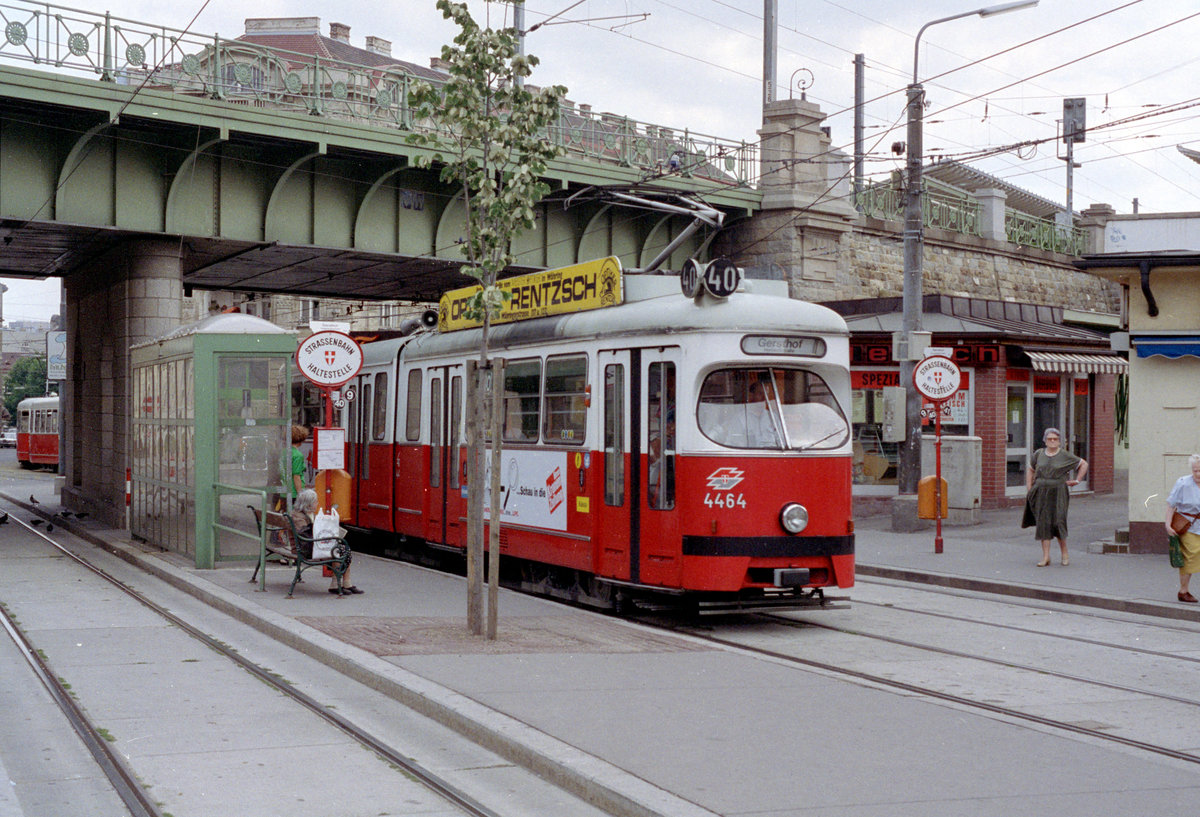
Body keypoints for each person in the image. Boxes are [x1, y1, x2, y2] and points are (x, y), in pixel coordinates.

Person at [1022, 427, 1088, 567]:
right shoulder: (1039, 454)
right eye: (1049, 439)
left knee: (1058, 521)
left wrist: (1077, 480)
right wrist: (1029, 488)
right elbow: (1031, 469)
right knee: (1043, 523)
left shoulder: (1065, 455)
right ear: (1045, 441)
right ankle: (1046, 557)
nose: (1052, 441)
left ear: (1059, 441)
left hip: (1058, 492)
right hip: (1041, 491)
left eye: (1055, 439)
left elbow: (1083, 464)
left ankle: (1064, 554)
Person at [289, 488, 363, 595]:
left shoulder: (305, 514)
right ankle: (337, 584)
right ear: (308, 503)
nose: (317, 503)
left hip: (307, 546)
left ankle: (345, 583)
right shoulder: (298, 517)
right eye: (315, 501)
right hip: (304, 549)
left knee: (341, 548)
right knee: (340, 550)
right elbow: (306, 536)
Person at [1164, 453, 1200, 603]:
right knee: (1191, 555)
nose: (1198, 473)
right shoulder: (1183, 483)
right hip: (1187, 526)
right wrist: (1167, 524)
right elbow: (1171, 504)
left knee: (1192, 557)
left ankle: (1183, 591)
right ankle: (1183, 591)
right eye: (1195, 470)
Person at [281, 424, 310, 503]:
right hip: (293, 492)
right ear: (301, 439)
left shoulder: (283, 452)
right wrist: (300, 493)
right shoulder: (297, 455)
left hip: (284, 490)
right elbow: (296, 476)